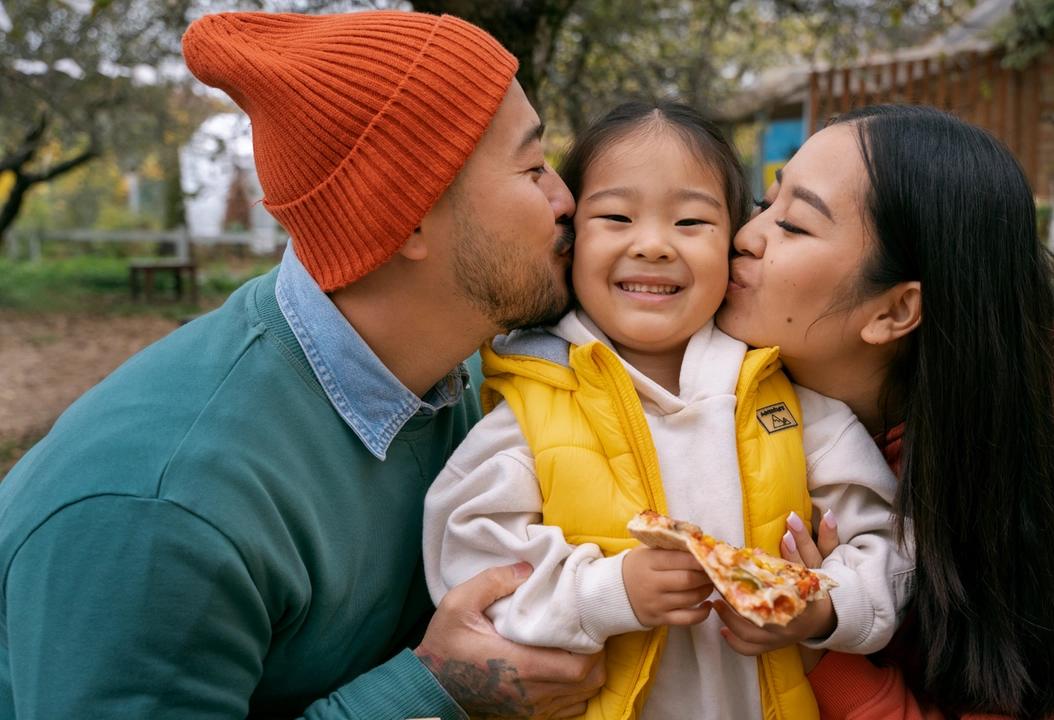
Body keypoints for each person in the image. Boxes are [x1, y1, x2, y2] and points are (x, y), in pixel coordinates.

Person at [0, 11, 605, 719]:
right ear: (405, 215)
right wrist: (438, 690)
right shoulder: (162, 510)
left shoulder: (460, 376)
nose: (568, 202)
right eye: (533, 169)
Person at [423, 101, 914, 720]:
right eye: (616, 216)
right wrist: (605, 593)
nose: (652, 245)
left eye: (690, 222)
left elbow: (887, 543)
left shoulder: (783, 398)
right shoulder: (531, 406)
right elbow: (474, 574)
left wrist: (823, 608)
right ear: (570, 239)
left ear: (734, 243)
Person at [716, 104, 1054, 719]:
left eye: (792, 224)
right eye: (766, 206)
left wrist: (820, 650)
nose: (744, 236)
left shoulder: (1033, 507)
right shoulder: (726, 407)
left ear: (894, 311)